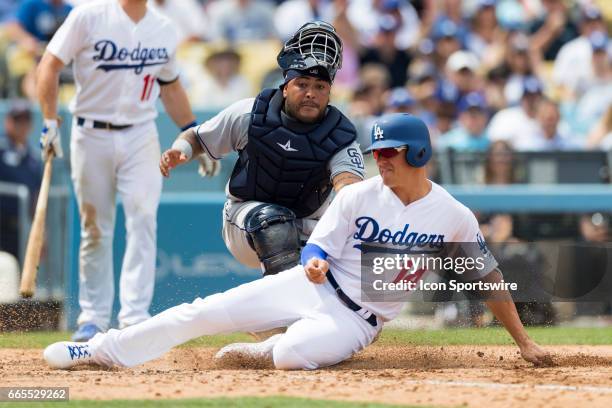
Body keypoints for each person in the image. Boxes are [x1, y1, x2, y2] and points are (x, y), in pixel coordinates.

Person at [42, 113, 552, 371]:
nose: (380, 159)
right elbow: (317, 248)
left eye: (390, 151)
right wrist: (310, 262)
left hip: (358, 320)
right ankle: (102, 350)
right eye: (376, 152)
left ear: (417, 151)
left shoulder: (453, 216)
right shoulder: (359, 197)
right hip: (313, 287)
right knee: (203, 311)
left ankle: (267, 352)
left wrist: (524, 342)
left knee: (293, 357)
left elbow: (486, 278)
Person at [36, 0, 197, 341]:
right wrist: (49, 121)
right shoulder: (89, 15)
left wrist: (193, 134)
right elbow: (49, 65)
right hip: (90, 132)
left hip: (141, 131)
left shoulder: (164, 27)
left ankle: (134, 319)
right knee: (95, 227)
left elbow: (170, 86)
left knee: (143, 218)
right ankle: (92, 317)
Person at [160, 21, 365, 277]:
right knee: (275, 223)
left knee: (360, 228)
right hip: (247, 220)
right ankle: (280, 307)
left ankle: (363, 311)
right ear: (286, 86)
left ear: (329, 92)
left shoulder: (340, 135)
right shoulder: (251, 113)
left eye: (320, 87)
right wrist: (181, 150)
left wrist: (349, 208)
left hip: (308, 226)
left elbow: (350, 189)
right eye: (302, 84)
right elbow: (198, 138)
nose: (311, 93)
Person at [0, 101, 41, 262]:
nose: (21, 125)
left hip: (18, 230)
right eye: (17, 120)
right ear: (8, 121)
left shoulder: (33, 160)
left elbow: (35, 199)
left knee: (12, 278)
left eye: (25, 121)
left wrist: (41, 234)